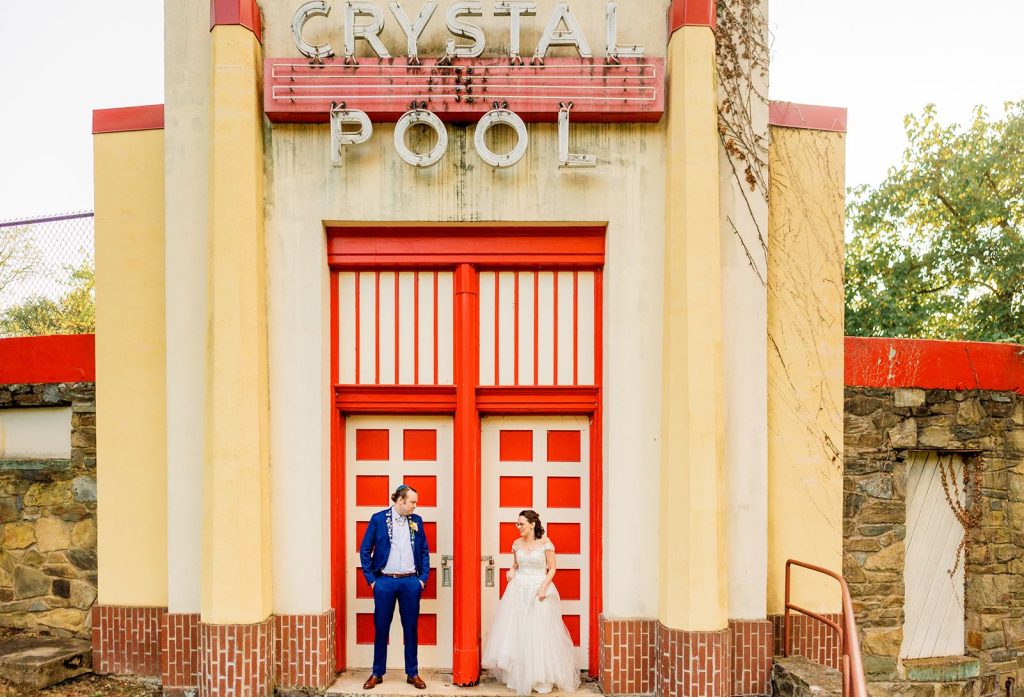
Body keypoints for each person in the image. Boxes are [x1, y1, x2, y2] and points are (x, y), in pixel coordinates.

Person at [482, 509, 581, 695]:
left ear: (532, 524)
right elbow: (517, 564)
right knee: (518, 632)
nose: (517, 527)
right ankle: (520, 676)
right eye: (517, 524)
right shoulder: (516, 544)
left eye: (521, 524)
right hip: (518, 590)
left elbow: (552, 568)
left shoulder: (546, 544)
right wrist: (512, 570)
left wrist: (543, 588)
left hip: (538, 590)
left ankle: (540, 677)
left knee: (539, 634)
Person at [359, 484, 430, 690]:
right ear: (400, 501)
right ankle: (377, 672)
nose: (415, 506)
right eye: (412, 502)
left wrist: (422, 579)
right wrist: (373, 580)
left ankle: (412, 673)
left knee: (411, 628)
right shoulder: (378, 519)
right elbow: (365, 550)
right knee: (381, 627)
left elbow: (424, 551)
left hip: (410, 582)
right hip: (385, 582)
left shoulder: (417, 521)